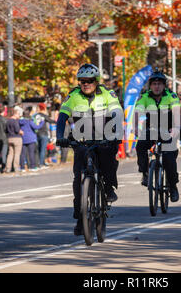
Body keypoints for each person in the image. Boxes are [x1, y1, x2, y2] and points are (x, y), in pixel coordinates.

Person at [56, 63, 123, 236]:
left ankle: (108, 189)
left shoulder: (107, 94)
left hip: (104, 137)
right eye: (82, 81)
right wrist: (59, 136)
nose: (85, 84)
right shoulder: (73, 95)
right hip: (82, 141)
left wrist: (117, 132)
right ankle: (80, 216)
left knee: (108, 160)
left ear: (97, 81)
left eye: (90, 81)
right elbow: (62, 117)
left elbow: (116, 112)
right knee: (78, 178)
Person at [134, 68, 181, 203]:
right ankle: (145, 172)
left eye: (159, 83)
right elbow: (137, 111)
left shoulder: (171, 96)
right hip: (151, 129)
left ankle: (173, 187)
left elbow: (177, 112)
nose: (156, 86)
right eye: (154, 84)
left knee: (169, 159)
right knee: (140, 146)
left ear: (164, 85)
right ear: (150, 86)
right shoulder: (145, 97)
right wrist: (135, 127)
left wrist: (176, 128)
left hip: (169, 129)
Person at [33, 103, 55, 168]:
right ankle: (41, 164)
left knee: (39, 149)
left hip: (37, 134)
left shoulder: (35, 115)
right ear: (43, 109)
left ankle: (39, 163)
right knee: (43, 150)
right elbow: (50, 121)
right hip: (44, 134)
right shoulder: (43, 115)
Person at [5, 107, 23, 173]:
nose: (19, 116)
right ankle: (16, 167)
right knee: (17, 154)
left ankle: (8, 168)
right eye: (19, 115)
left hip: (9, 138)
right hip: (17, 138)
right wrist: (21, 132)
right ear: (16, 114)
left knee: (10, 154)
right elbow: (17, 130)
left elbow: (6, 130)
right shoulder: (15, 121)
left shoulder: (8, 121)